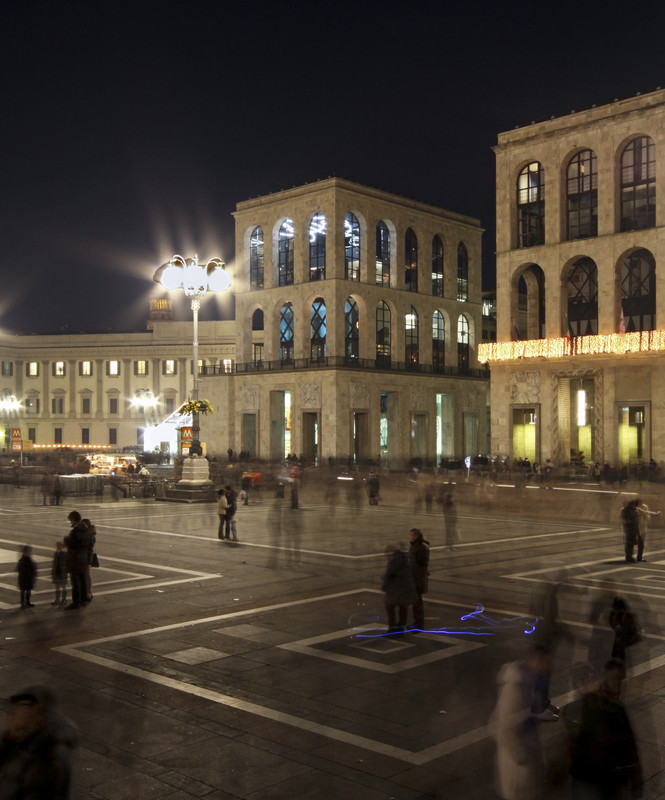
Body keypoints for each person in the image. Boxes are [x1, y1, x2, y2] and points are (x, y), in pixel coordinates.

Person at [565, 659, 642, 799]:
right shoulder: (584, 709)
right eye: (584, 681)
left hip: (594, 778)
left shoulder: (605, 706)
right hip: (597, 778)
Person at [489, 646, 550, 800]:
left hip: (524, 765)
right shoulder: (516, 688)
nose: (549, 667)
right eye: (546, 662)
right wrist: (523, 758)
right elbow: (502, 729)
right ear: (533, 661)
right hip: (518, 772)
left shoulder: (529, 683)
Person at [0, 685, 78, 799]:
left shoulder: (51, 754)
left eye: (22, 705)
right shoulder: (21, 738)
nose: (15, 710)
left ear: (37, 709)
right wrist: (8, 740)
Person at [381, 544, 417, 634]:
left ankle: (392, 628)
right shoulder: (405, 558)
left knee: (390, 607)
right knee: (403, 608)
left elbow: (389, 574)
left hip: (396, 589)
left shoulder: (393, 560)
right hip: (405, 587)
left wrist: (384, 586)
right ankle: (400, 628)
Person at [63, 511, 92, 609]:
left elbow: (73, 543)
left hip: (75, 559)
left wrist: (66, 539)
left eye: (70, 520)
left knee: (75, 582)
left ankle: (76, 602)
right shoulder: (86, 529)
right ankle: (84, 599)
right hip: (83, 558)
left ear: (73, 519)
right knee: (83, 579)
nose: (70, 523)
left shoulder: (76, 530)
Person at [408, 528, 430, 630]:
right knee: (416, 602)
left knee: (417, 603)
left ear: (416, 536)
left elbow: (421, 565)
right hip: (414, 578)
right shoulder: (415, 547)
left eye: (412, 535)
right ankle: (417, 622)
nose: (410, 537)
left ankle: (418, 624)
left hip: (417, 579)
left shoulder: (421, 548)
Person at [82, 518, 98, 602]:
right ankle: (88, 593)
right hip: (86, 557)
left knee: (87, 576)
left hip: (87, 557)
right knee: (87, 576)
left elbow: (88, 547)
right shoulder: (90, 534)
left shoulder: (90, 535)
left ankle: (88, 593)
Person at [51, 541, 68, 606]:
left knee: (63, 586)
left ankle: (63, 599)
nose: (58, 547)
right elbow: (54, 563)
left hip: (62, 572)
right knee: (57, 587)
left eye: (59, 545)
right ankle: (57, 599)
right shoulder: (56, 553)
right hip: (57, 572)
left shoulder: (64, 554)